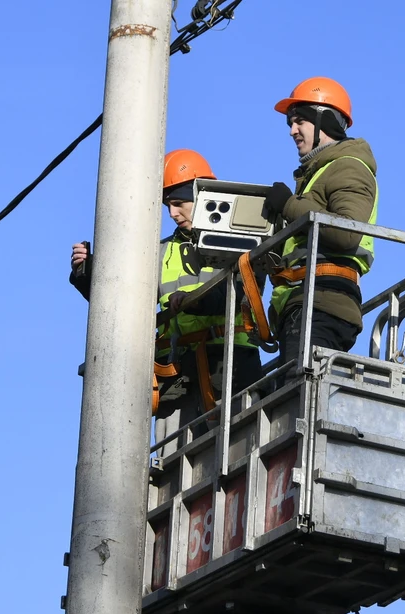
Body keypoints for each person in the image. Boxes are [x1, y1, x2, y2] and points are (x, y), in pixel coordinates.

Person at [70, 149, 262, 448]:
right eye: (167, 206)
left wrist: (196, 301)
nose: (172, 213)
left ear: (201, 196)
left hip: (230, 363)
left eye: (178, 203)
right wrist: (90, 273)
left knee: (240, 448)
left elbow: (246, 289)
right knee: (170, 462)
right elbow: (121, 306)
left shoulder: (238, 239)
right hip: (177, 370)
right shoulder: (158, 253)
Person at [261, 76, 378, 368]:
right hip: (305, 304)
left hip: (321, 306)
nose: (292, 131)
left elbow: (346, 234)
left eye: (299, 121)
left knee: (300, 405)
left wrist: (289, 205)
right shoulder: (318, 172)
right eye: (290, 122)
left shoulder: (348, 167)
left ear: (326, 122)